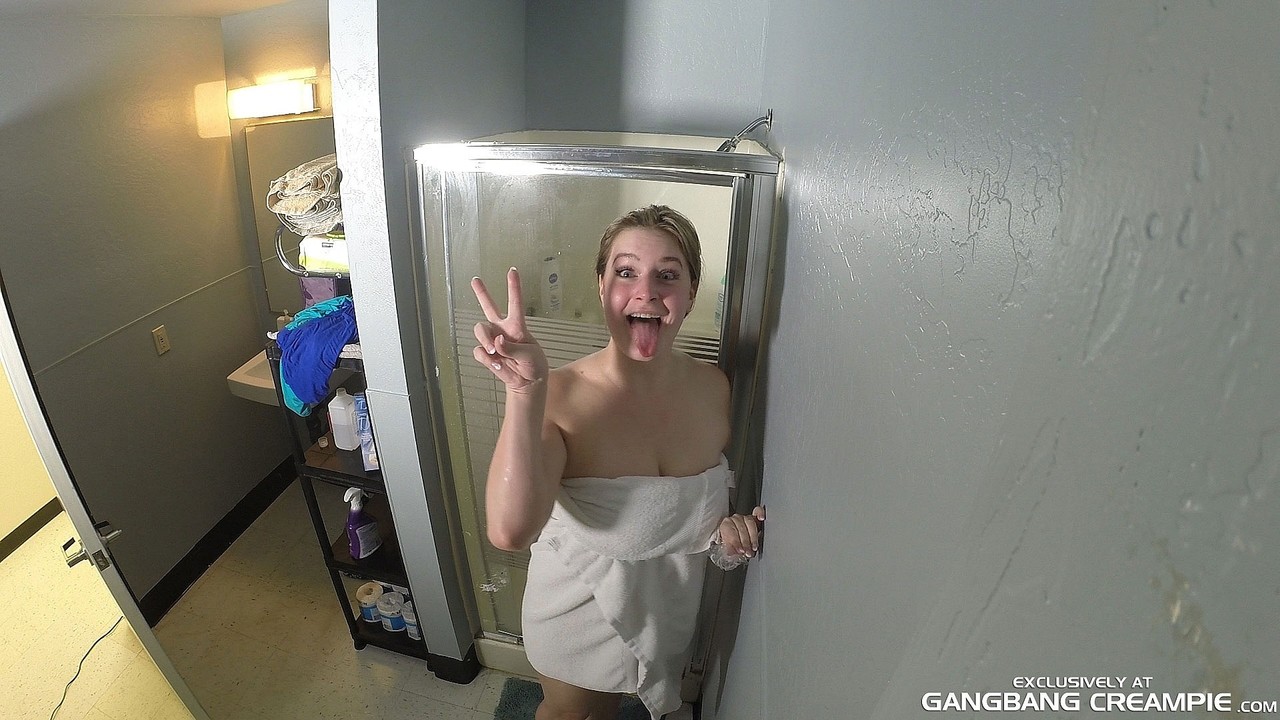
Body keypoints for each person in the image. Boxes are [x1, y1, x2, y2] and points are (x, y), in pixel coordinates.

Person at [470, 205, 765, 720]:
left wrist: (728, 533)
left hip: (661, 614)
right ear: (601, 285)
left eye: (667, 275)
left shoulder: (714, 389)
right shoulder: (560, 395)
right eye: (626, 272)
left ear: (692, 292)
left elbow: (689, 515)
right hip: (576, 607)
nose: (646, 292)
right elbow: (510, 532)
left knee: (606, 712)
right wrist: (524, 392)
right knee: (569, 714)